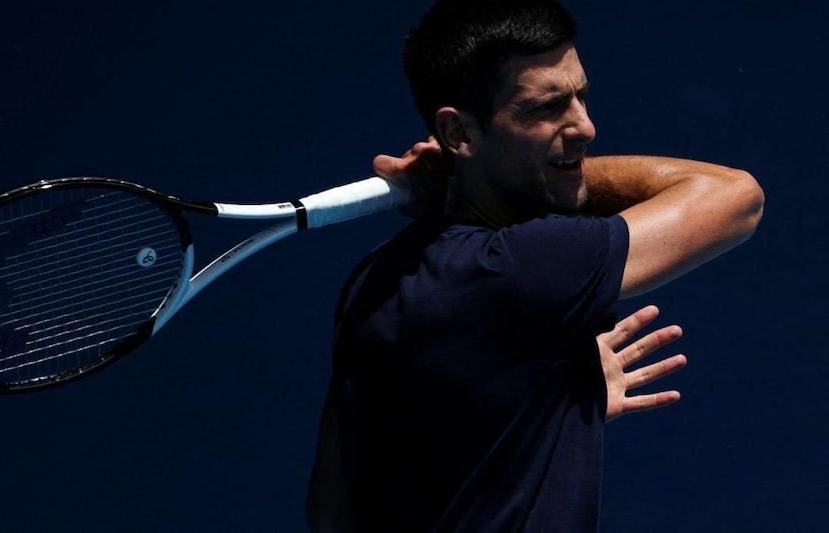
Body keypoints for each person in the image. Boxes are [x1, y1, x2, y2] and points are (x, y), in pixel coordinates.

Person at [307, 0, 765, 531]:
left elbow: (331, 512)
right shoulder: (523, 266)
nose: (584, 126)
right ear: (459, 134)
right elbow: (737, 197)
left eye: (581, 97)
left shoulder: (376, 278)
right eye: (545, 109)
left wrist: (539, 410)